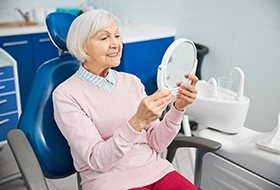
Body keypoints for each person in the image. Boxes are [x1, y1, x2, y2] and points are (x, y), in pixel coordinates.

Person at [53, 9, 198, 190]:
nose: (116, 44)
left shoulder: (131, 82)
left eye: (117, 35)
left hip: (157, 172)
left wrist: (177, 109)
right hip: (110, 181)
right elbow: (97, 160)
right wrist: (137, 121)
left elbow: (156, 143)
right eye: (104, 38)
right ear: (83, 46)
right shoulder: (66, 95)